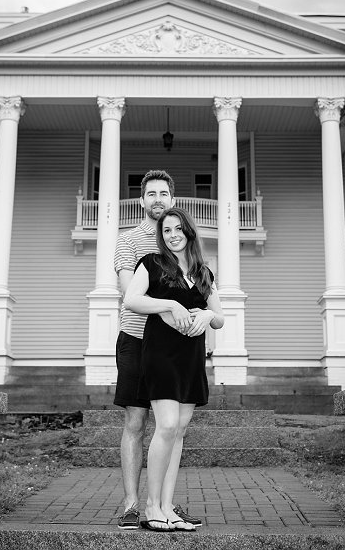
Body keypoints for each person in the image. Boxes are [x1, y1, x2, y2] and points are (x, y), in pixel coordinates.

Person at [124, 207, 224, 532]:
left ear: (189, 232)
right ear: (161, 235)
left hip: (191, 358)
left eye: (178, 229)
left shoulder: (204, 272)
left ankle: (168, 508)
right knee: (166, 426)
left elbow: (219, 317)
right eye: (167, 230)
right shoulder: (151, 264)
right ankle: (151, 506)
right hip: (160, 354)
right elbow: (132, 300)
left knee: (178, 432)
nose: (173, 235)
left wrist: (208, 317)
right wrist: (170, 303)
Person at [112, 170, 201, 531]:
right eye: (151, 194)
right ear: (141, 201)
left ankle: (164, 503)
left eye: (164, 193)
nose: (158, 199)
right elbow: (127, 290)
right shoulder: (128, 241)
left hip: (176, 346)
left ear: (172, 200)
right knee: (136, 420)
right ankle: (133, 503)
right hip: (137, 340)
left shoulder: (180, 239)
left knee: (173, 427)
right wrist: (169, 306)